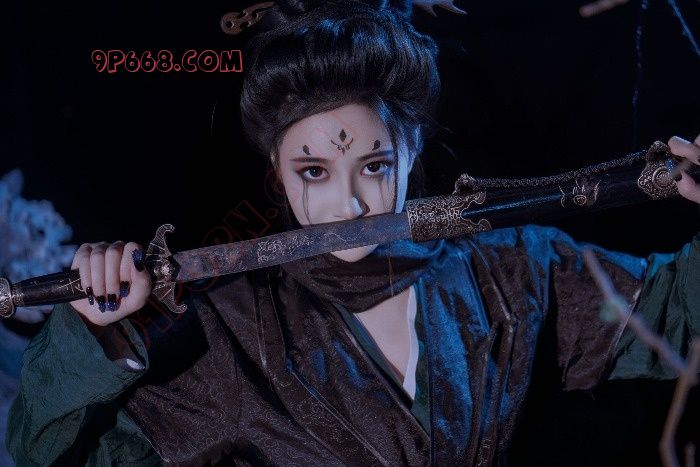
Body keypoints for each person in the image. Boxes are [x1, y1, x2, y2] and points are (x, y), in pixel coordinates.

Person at [6, 0, 700, 465]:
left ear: (410, 152)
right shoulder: (231, 336)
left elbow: (676, 316)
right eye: (313, 170)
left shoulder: (512, 274)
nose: (349, 202)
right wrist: (91, 335)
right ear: (277, 174)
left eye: (373, 165)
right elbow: (53, 454)